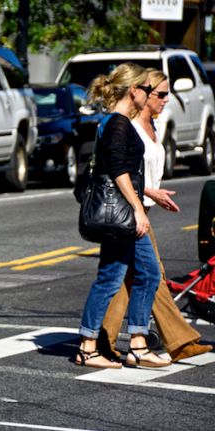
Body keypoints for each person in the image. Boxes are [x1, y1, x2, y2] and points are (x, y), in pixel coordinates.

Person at [98, 69, 212, 363]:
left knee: (129, 278)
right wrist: (149, 195)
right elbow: (119, 169)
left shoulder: (153, 125)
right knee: (150, 274)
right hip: (129, 211)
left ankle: (103, 338)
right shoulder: (129, 125)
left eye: (167, 94)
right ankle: (167, 341)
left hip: (141, 210)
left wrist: (150, 199)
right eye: (160, 94)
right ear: (142, 93)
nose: (165, 100)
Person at [74, 62, 169, 369]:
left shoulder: (113, 122)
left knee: (149, 273)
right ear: (134, 91)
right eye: (146, 89)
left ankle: (138, 344)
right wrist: (140, 208)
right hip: (122, 217)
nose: (149, 94)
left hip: (125, 216)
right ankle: (88, 347)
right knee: (110, 278)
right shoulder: (118, 123)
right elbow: (119, 171)